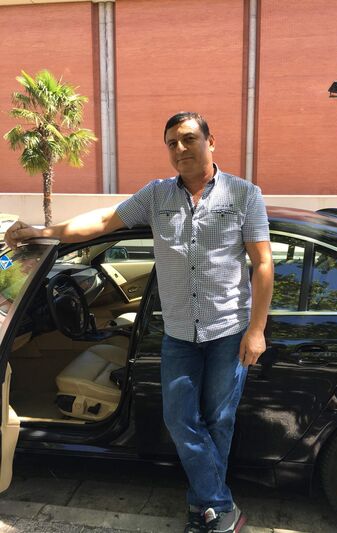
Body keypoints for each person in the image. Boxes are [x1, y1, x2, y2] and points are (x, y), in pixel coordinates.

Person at [5, 111, 274, 533]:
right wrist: (44, 230)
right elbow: (101, 222)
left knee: (219, 421)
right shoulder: (155, 195)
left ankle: (204, 509)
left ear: (210, 141)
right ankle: (220, 506)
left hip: (228, 332)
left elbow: (263, 263)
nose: (180, 149)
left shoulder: (244, 194)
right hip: (179, 334)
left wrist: (256, 330)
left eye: (188, 139)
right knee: (180, 420)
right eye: (172, 143)